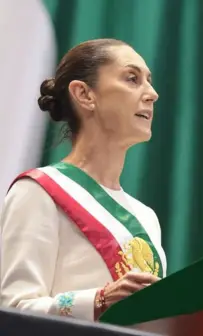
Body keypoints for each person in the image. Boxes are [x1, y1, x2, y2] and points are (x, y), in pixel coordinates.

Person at [0, 38, 167, 322]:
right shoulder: (38, 192)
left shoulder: (146, 217)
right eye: (132, 78)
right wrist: (98, 300)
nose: (152, 94)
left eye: (149, 81)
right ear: (84, 94)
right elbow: (14, 309)